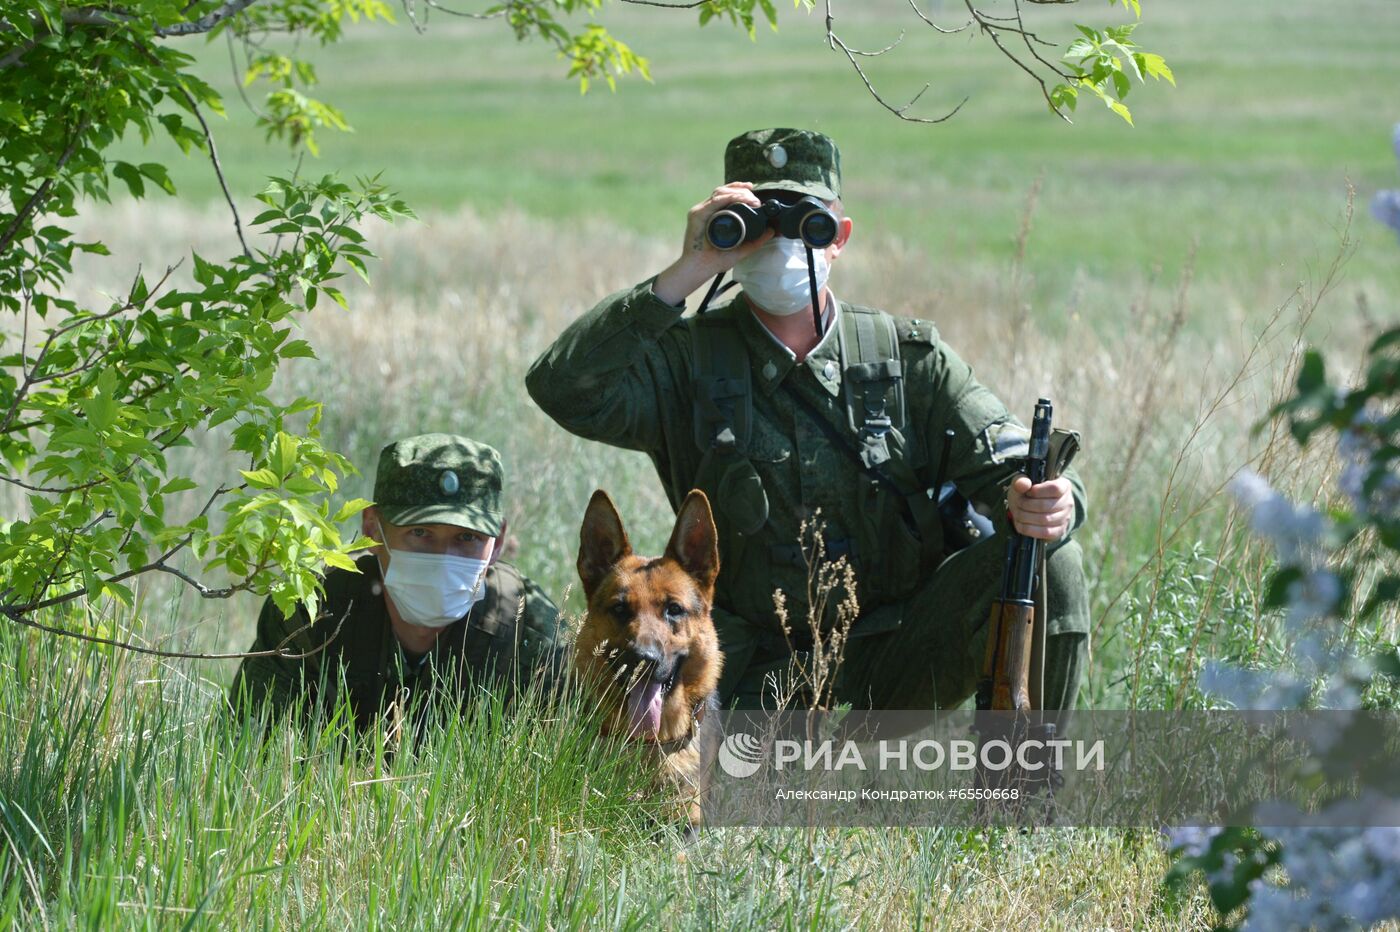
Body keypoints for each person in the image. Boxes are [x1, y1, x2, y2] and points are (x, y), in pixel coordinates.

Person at [526, 128, 1090, 711]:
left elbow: (1010, 468)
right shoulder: (687, 361)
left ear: (838, 236)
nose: (780, 242)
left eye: (804, 221)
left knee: (1053, 557)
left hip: (897, 653)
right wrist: (687, 271)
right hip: (750, 671)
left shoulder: (907, 359)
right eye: (758, 222)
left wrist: (1052, 500)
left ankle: (1024, 784)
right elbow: (561, 388)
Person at [228, 433, 565, 729]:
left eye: (467, 538)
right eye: (420, 533)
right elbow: (249, 747)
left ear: (498, 541)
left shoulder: (532, 635)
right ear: (373, 528)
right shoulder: (311, 611)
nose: (443, 560)